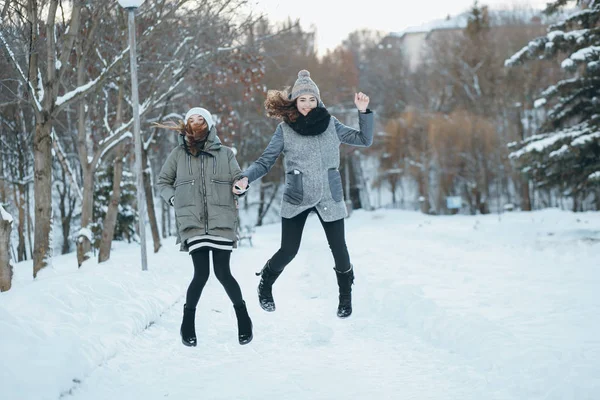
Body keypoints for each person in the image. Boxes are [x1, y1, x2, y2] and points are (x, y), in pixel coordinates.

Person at [232, 70, 374, 318]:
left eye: (311, 99)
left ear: (318, 100)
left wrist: (363, 112)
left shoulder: (331, 124)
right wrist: (245, 177)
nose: (307, 105)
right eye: (302, 100)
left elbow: (364, 139)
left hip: (329, 193)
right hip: (297, 195)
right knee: (288, 250)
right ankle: (265, 282)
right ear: (294, 102)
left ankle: (345, 298)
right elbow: (266, 161)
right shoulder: (285, 130)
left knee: (339, 249)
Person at [156, 107, 253, 347]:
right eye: (192, 119)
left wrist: (241, 186)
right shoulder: (178, 154)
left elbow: (239, 178)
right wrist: (173, 199)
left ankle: (244, 319)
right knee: (201, 274)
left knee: (223, 273)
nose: (197, 123)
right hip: (193, 222)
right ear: (186, 124)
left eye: (201, 119)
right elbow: (163, 181)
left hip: (222, 220)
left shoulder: (225, 154)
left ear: (209, 124)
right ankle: (187, 324)